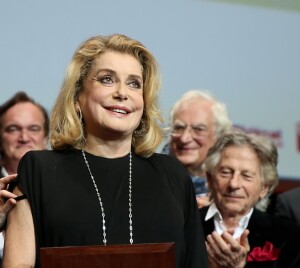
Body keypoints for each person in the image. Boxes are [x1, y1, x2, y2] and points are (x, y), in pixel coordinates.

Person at [3, 34, 209, 268]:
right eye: (107, 79)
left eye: (134, 83)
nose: (123, 92)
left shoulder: (172, 174)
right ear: (77, 98)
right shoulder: (38, 169)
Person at [200, 130, 300, 268]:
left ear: (265, 187)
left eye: (246, 176)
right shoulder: (185, 225)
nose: (234, 184)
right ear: (210, 179)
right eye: (226, 172)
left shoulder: (288, 235)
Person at [0, 91, 49, 265]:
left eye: (33, 129)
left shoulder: (66, 188)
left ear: (45, 137)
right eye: (13, 129)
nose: (24, 137)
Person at [165, 90, 232, 207]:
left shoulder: (234, 186)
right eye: (179, 128)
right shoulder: (150, 179)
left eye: (199, 129)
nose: (185, 138)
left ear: (219, 135)